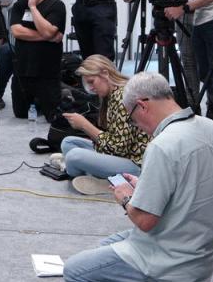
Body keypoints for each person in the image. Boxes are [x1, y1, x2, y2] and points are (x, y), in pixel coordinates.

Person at [64, 72, 213, 282]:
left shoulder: (163, 145)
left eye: (132, 119)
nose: (139, 128)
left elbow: (144, 221)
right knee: (105, 244)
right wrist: (143, 186)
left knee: (73, 272)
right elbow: (188, 187)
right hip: (204, 251)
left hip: (173, 258)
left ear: (141, 106)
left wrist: (125, 198)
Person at [59, 55, 149, 193]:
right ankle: (103, 177)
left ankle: (112, 181)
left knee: (73, 155)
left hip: (136, 165)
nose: (90, 88)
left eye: (92, 82)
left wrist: (85, 126)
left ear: (105, 74)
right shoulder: (114, 94)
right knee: (68, 143)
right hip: (125, 155)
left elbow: (119, 149)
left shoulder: (122, 97)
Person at [10, 0, 65, 120]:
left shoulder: (56, 5)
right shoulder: (19, 5)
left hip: (46, 73)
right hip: (23, 71)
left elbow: (47, 31)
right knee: (20, 114)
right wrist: (47, 36)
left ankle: (62, 91)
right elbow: (16, 32)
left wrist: (33, 7)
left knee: (52, 117)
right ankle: (36, 100)